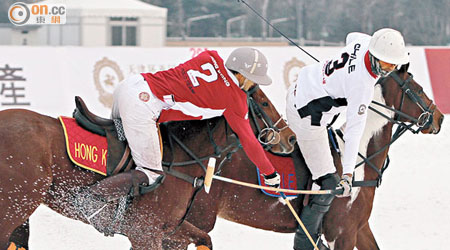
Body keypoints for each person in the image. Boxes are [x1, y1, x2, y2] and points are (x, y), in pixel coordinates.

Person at [77, 48, 281, 212]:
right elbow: (249, 142)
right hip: (142, 104)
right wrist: (269, 174)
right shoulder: (234, 100)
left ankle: (114, 202)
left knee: (124, 149)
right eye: (254, 79)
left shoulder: (209, 55)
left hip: (132, 84)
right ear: (243, 76)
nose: (253, 84)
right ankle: (90, 198)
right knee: (151, 172)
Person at [286, 28, 409, 249]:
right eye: (386, 64)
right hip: (306, 117)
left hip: (303, 86)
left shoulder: (363, 42)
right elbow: (354, 132)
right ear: (373, 55)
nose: (388, 70)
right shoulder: (362, 86)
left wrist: (341, 74)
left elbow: (351, 35)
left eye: (393, 65)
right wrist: (348, 175)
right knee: (328, 181)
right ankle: (305, 242)